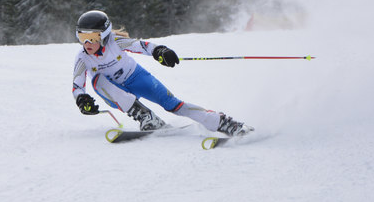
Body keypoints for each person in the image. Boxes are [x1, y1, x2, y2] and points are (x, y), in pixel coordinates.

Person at [72, 10, 253, 136]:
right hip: (116, 92)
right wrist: (82, 99)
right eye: (82, 37)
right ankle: (145, 116)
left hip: (137, 78)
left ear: (104, 36)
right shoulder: (82, 58)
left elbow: (142, 46)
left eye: (92, 37)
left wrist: (160, 51)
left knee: (172, 104)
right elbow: (77, 85)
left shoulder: (115, 42)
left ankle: (221, 122)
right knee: (98, 81)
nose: (87, 43)